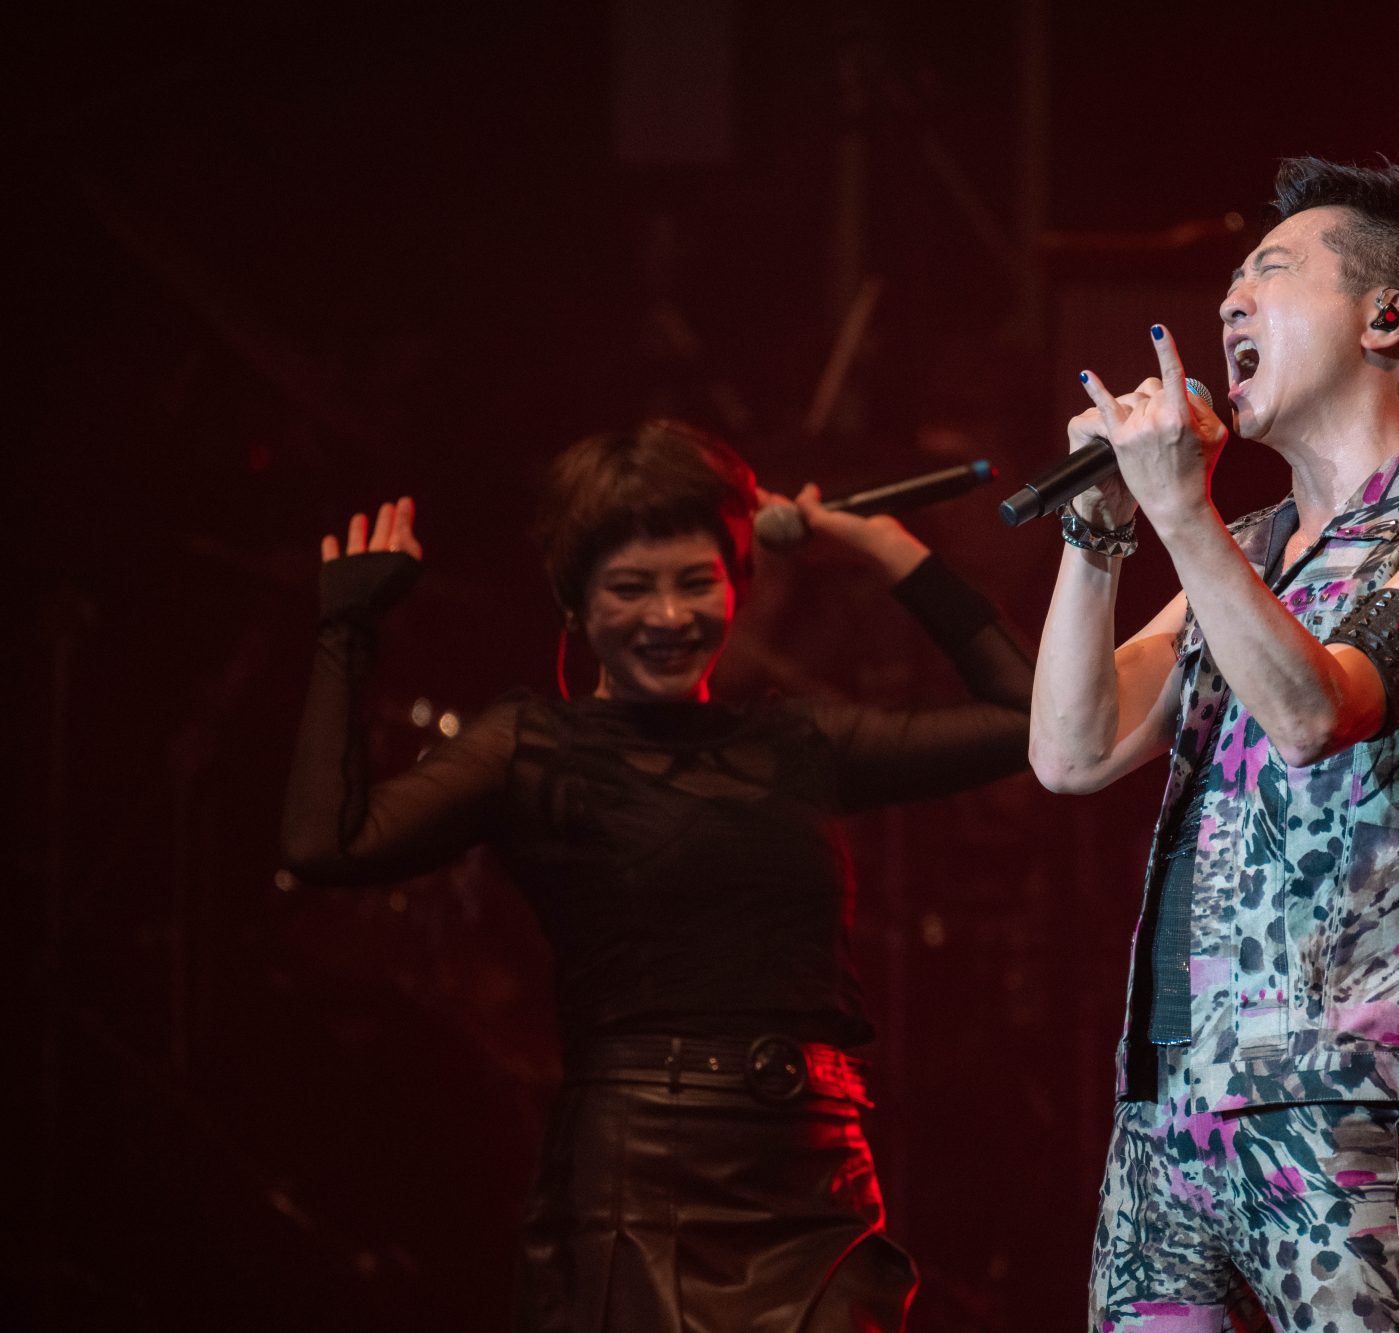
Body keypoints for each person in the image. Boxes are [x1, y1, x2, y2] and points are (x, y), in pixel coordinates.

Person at [281, 419, 1032, 1332]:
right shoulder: (534, 749)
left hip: (815, 1178)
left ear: (738, 584)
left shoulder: (798, 743)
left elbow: (1030, 720)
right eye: (631, 588)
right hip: (644, 1183)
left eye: (695, 582)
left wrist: (883, 545)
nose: (669, 617)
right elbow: (327, 844)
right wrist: (348, 628)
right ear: (575, 603)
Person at [1029, 158, 1399, 1331]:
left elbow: (1315, 711)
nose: (1228, 302)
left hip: (1334, 1105)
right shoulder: (1244, 551)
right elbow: (1071, 751)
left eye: (1270, 273)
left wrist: (1179, 512)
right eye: (1229, 282)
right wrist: (1100, 529)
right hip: (1166, 1108)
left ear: (1386, 318)